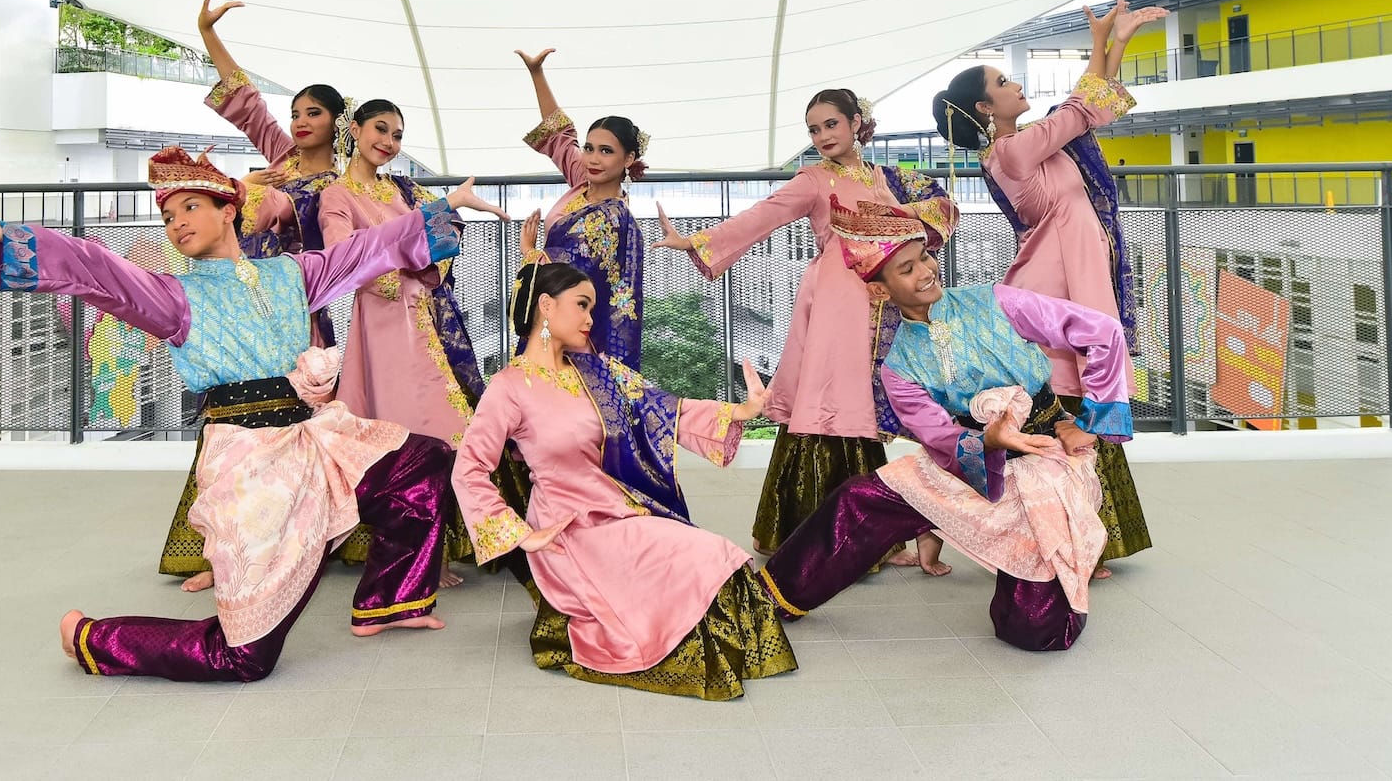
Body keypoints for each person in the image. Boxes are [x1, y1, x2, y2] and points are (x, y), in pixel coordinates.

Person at [0, 151, 512, 681]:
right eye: (169, 218)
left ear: (228, 209)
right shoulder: (174, 296)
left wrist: (438, 209)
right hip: (250, 460)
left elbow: (367, 250)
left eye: (190, 208)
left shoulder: (291, 273)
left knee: (423, 461)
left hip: (314, 435)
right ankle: (94, 637)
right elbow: (97, 270)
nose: (176, 225)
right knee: (243, 657)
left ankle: (390, 599)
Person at [758, 199, 1133, 652]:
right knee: (859, 498)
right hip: (974, 460)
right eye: (907, 269)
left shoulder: (998, 300)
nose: (926, 272)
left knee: (1037, 630)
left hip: (1042, 458)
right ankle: (768, 597)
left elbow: (1104, 332)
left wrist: (1092, 421)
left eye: (926, 258)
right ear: (880, 290)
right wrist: (988, 441)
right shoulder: (898, 370)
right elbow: (941, 439)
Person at [453, 259, 797, 699]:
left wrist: (742, 411)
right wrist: (520, 534)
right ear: (545, 305)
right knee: (702, 555)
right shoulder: (509, 387)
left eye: (591, 308)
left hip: (615, 508)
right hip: (568, 529)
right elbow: (469, 468)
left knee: (714, 551)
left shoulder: (594, 372)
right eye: (581, 305)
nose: (589, 319)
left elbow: (663, 410)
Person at [652, 87, 957, 565]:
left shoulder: (886, 178)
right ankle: (810, 534)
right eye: (814, 129)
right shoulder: (813, 179)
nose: (822, 136)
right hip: (838, 298)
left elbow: (936, 214)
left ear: (857, 122)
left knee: (863, 409)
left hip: (879, 302)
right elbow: (764, 216)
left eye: (831, 124)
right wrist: (696, 240)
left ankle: (873, 538)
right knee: (831, 401)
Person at [932, 0, 1164, 577]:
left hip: (1074, 275)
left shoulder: (1034, 141)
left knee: (1078, 400)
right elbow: (1082, 110)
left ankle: (1083, 536)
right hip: (1054, 285)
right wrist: (1105, 41)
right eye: (1003, 82)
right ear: (986, 108)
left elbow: (1088, 106)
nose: (1016, 86)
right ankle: (1050, 535)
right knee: (1062, 405)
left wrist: (1118, 40)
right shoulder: (1010, 150)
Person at [155, 0, 348, 590]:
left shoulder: (343, 184)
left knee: (297, 419)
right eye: (296, 113)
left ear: (339, 123)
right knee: (234, 422)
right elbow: (245, 103)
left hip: (296, 303)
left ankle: (307, 533)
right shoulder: (276, 164)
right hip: (238, 296)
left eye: (314, 113)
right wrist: (208, 34)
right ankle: (224, 547)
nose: (300, 122)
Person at [318, 96, 504, 583]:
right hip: (380, 324)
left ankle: (432, 546)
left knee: (443, 429)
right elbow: (341, 254)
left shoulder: (399, 190)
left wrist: (439, 230)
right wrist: (424, 230)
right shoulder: (337, 195)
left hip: (421, 317)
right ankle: (413, 552)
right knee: (404, 431)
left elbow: (439, 243)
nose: (388, 142)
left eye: (397, 135)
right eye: (380, 129)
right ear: (354, 130)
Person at [515, 47, 648, 369]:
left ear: (628, 159)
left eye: (606, 151)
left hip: (581, 329)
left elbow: (577, 266)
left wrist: (531, 253)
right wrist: (537, 74)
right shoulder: (583, 181)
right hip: (547, 312)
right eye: (589, 148)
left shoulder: (616, 218)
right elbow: (559, 133)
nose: (593, 158)